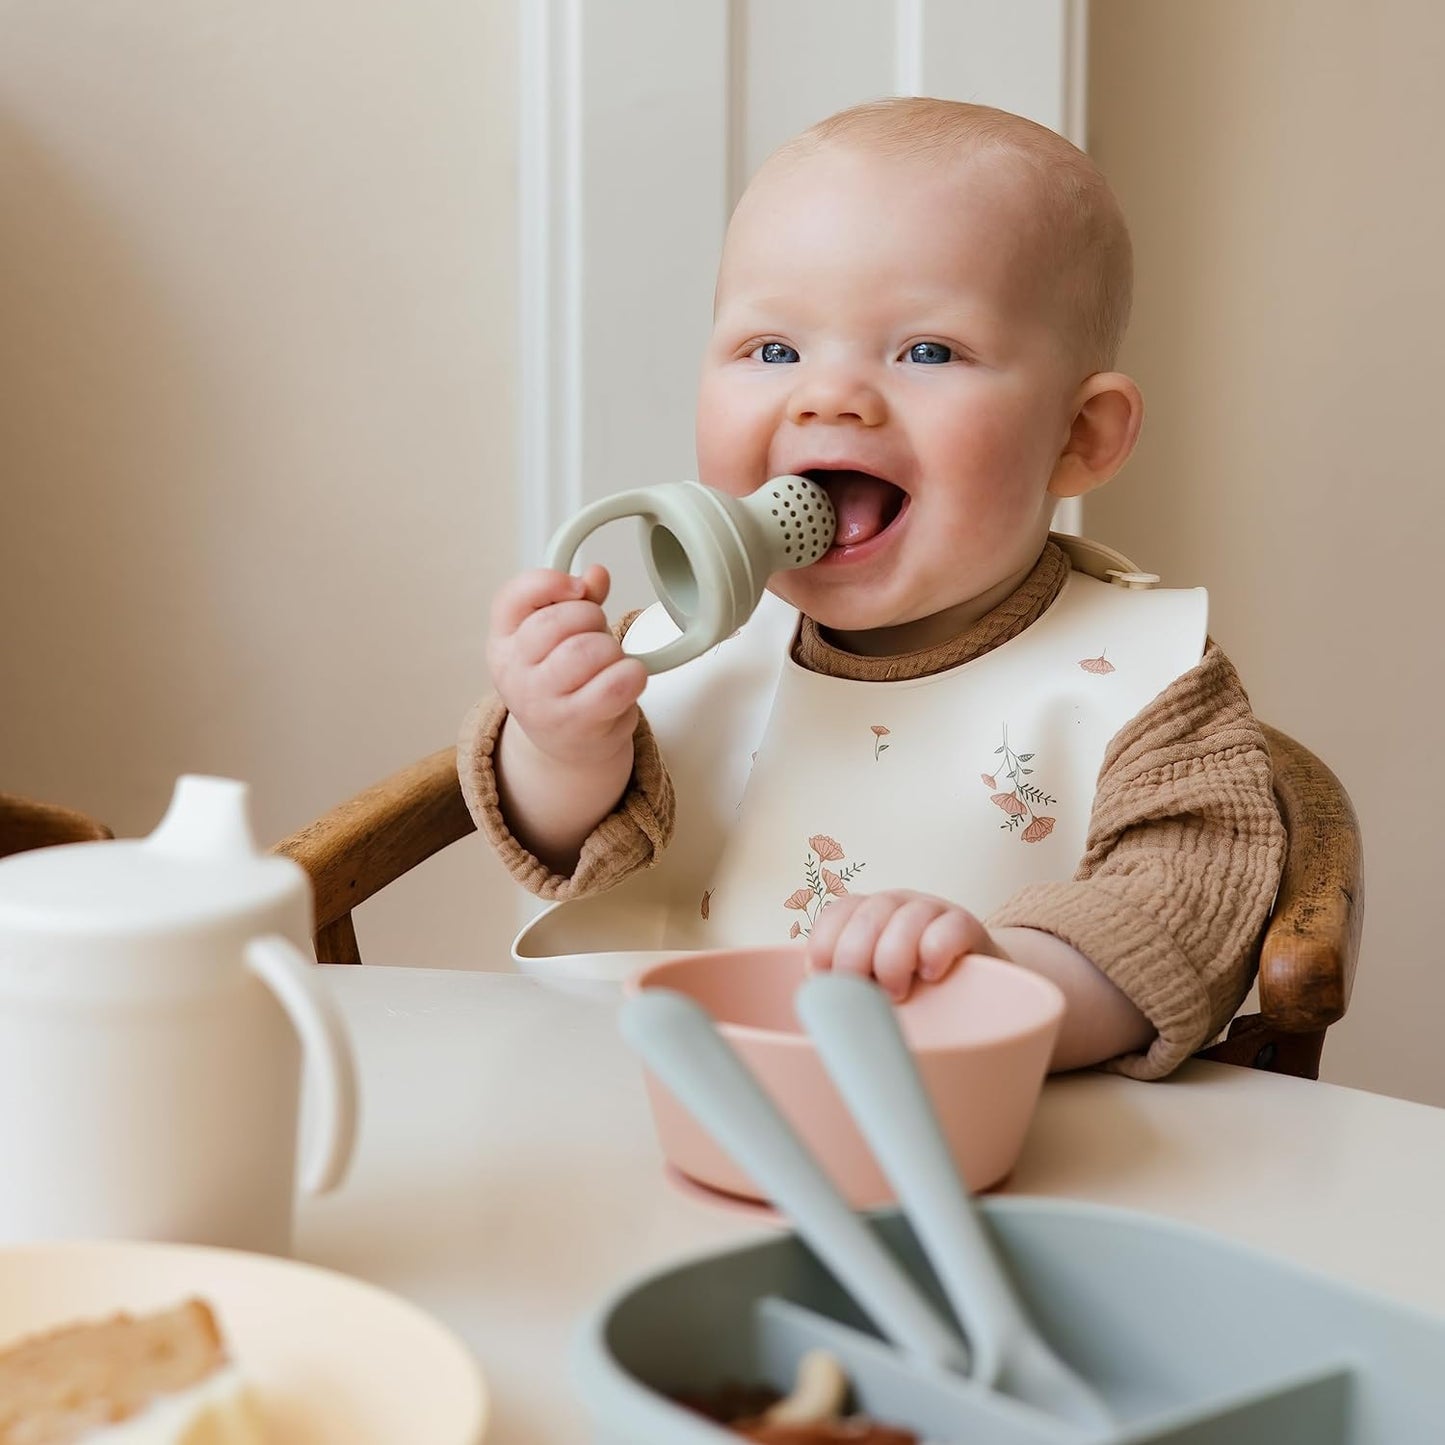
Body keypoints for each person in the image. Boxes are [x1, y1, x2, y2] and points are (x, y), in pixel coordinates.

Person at [460, 98, 1285, 1080]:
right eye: (772, 350)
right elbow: (575, 838)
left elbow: (1183, 907)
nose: (827, 395)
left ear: (1079, 437)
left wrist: (1001, 976)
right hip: (680, 1096)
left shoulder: (1145, 682)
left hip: (987, 1141)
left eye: (925, 351)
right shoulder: (686, 643)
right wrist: (560, 742)